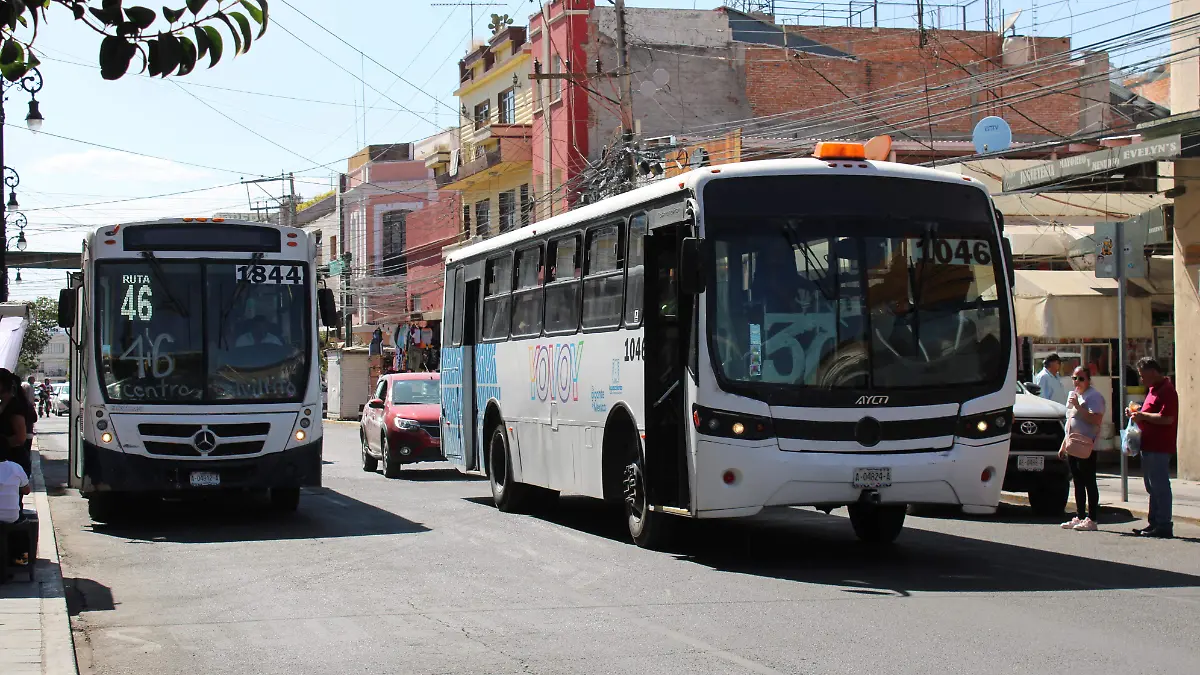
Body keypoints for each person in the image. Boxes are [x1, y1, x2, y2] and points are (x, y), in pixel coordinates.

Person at [1130, 358, 1178, 539]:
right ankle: (1154, 522)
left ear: (1153, 372)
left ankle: (1164, 524)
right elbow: (1151, 413)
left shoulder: (1167, 390)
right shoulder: (1153, 390)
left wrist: (1143, 415)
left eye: (1143, 375)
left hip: (1160, 446)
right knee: (1151, 487)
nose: (1142, 379)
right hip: (1148, 444)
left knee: (1160, 486)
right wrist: (1138, 414)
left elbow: (1167, 418)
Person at [1060, 366, 1105, 532]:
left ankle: (1092, 518)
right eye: (1074, 378)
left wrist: (1079, 407)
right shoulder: (1073, 395)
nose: (1077, 382)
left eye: (1081, 378)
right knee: (1077, 481)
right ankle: (1079, 515)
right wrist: (1064, 444)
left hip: (1087, 445)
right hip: (1073, 443)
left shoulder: (1094, 397)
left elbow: (1096, 419)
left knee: (1089, 481)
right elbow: (1070, 421)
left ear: (1088, 380)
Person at [0, 447, 32, 568]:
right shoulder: (15, 467)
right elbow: (26, 490)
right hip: (11, 517)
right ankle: (20, 560)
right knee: (23, 524)